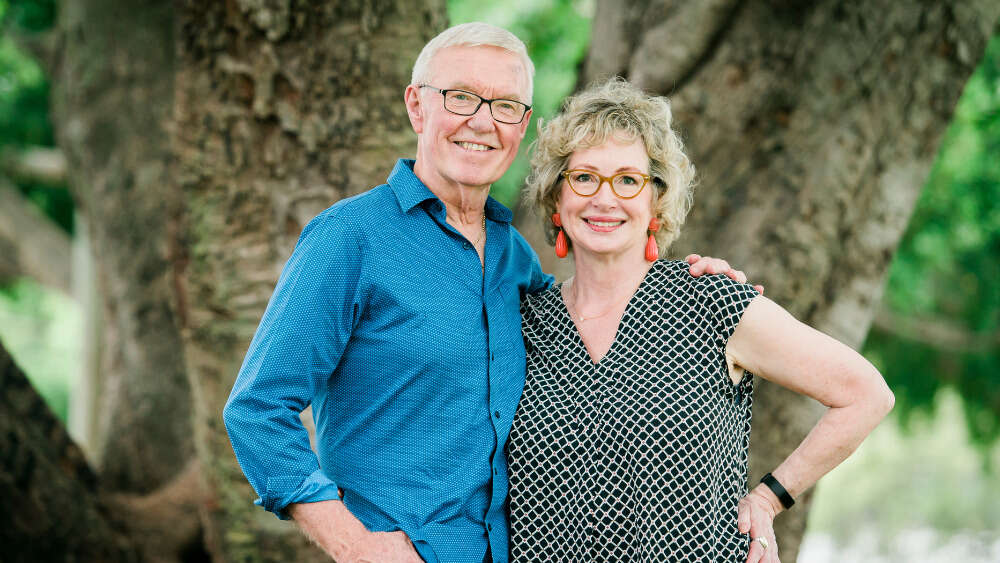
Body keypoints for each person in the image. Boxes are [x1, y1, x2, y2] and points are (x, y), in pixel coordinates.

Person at [222, 23, 744, 563]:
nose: (482, 121)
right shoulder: (350, 238)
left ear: (521, 127)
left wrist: (687, 280)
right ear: (417, 107)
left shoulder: (513, 256)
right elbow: (257, 410)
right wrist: (353, 545)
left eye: (505, 105)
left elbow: (597, 309)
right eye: (462, 97)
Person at [506, 78, 895, 563]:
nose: (604, 199)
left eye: (628, 180)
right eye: (584, 177)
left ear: (655, 203)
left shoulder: (709, 301)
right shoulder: (522, 321)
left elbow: (865, 394)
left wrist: (769, 498)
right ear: (556, 200)